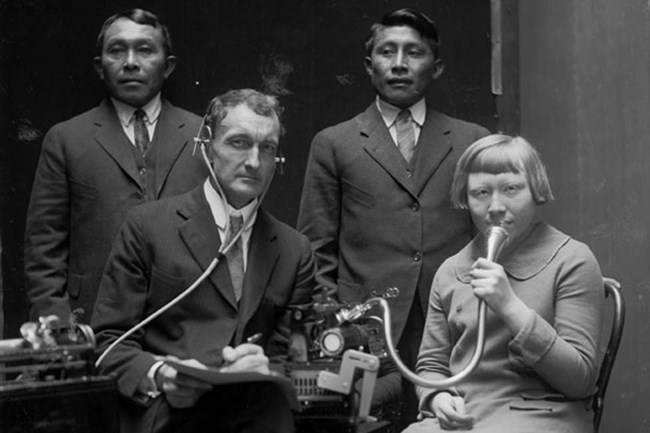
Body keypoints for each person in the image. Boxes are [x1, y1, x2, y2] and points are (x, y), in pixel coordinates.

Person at [297, 8, 489, 424]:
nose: (400, 64)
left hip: (450, 329)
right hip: (365, 333)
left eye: (414, 53)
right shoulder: (335, 143)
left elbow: (491, 242)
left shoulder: (473, 141)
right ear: (370, 66)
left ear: (436, 67)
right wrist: (336, 330)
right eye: (387, 52)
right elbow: (317, 250)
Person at [91, 89, 317, 433]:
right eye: (239, 143)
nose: (254, 161)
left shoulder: (295, 250)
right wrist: (161, 375)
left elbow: (296, 364)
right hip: (170, 413)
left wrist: (269, 369)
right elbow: (109, 345)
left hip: (257, 417)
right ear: (207, 145)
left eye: (267, 148)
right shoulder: (148, 226)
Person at [403, 134, 605, 433]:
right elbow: (432, 366)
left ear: (535, 190)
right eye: (481, 193)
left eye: (511, 189)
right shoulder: (451, 271)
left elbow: (580, 380)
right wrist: (438, 397)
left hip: (542, 414)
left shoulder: (572, 260)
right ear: (465, 198)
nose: (495, 206)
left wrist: (509, 305)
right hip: (467, 414)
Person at [23, 8, 208, 325]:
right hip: (93, 323)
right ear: (100, 66)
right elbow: (44, 252)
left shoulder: (203, 135)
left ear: (168, 65)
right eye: (117, 50)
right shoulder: (66, 139)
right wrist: (60, 329)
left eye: (145, 50)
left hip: (187, 325)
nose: (131, 62)